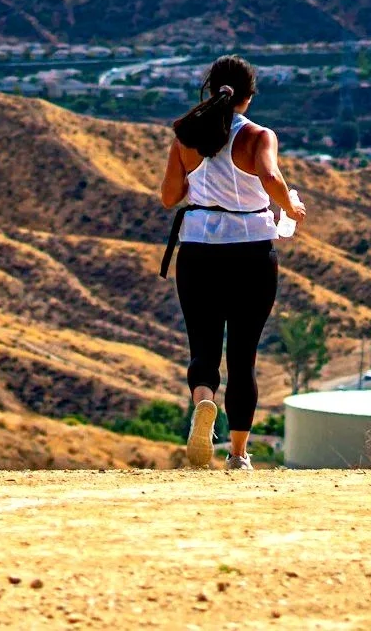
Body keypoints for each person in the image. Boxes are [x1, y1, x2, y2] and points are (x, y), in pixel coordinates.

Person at [158, 55, 306, 470]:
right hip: (251, 251)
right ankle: (238, 454)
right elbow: (271, 178)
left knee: (203, 347)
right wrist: (291, 208)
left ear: (211, 90)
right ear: (249, 96)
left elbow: (169, 197)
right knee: (243, 357)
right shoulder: (258, 136)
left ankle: (203, 405)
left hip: (198, 250)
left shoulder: (186, 137)